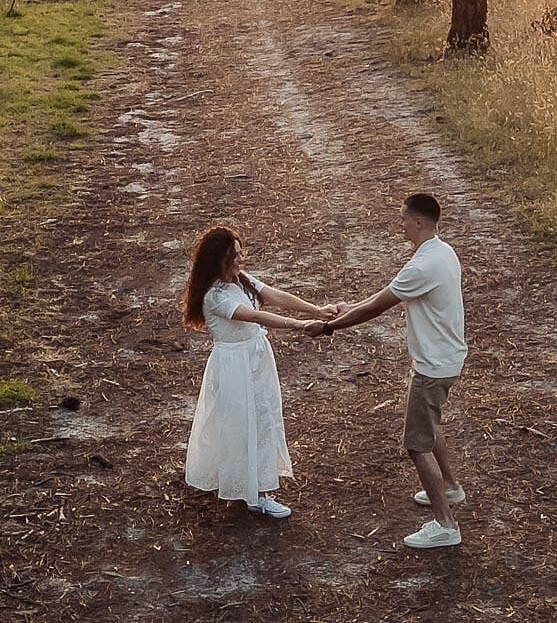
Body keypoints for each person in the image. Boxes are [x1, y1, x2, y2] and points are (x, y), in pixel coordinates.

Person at [318, 193, 468, 550]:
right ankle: (450, 487)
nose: (400, 224)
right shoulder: (442, 252)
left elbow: (376, 307)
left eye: (403, 219)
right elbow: (382, 297)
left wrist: (330, 327)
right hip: (446, 360)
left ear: (418, 222)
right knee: (431, 427)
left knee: (417, 445)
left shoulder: (421, 266)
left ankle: (445, 524)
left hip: (433, 368)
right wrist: (345, 307)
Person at [181, 224, 339, 519]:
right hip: (233, 365)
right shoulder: (214, 297)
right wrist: (298, 325)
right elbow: (252, 315)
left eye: (240, 254)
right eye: (234, 256)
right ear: (218, 260)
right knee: (244, 424)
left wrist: (316, 311)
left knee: (263, 418)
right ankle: (256, 494)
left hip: (255, 359)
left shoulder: (241, 281)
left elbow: (275, 296)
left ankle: (250, 484)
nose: (240, 260)